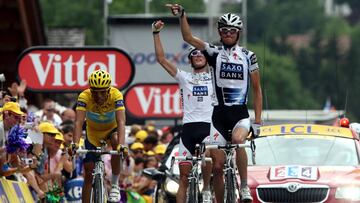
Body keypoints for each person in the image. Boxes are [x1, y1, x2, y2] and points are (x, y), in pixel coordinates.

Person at [167, 4, 263, 202]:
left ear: (238, 34)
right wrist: (182, 16)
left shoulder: (248, 56)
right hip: (218, 116)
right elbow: (188, 38)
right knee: (217, 168)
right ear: (220, 33)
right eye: (224, 30)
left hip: (239, 115)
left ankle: (244, 186)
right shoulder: (214, 53)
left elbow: (256, 89)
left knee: (238, 141)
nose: (228, 34)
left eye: (232, 31)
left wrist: (259, 121)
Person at [152, 20, 214, 203]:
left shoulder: (214, 77)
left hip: (209, 128)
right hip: (188, 129)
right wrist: (156, 34)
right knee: (183, 180)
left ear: (207, 58)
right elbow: (161, 59)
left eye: (201, 52)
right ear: (190, 60)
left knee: (209, 157)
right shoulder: (184, 77)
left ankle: (208, 189)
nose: (197, 54)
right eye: (193, 53)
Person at [73, 69, 126, 202]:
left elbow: (121, 121)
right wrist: (74, 143)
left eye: (103, 92)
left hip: (111, 129)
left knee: (115, 141)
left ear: (108, 90)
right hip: (93, 133)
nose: (99, 96)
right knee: (88, 173)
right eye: (95, 92)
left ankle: (114, 185)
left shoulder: (116, 94)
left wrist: (121, 145)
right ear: (90, 90)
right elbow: (78, 122)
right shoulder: (84, 96)